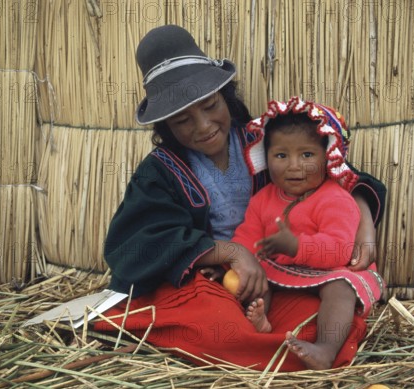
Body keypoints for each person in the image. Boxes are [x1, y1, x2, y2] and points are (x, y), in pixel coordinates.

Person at [93, 24, 386, 371]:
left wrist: (364, 220)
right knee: (217, 324)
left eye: (210, 105)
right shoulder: (160, 172)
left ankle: (288, 344)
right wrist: (230, 252)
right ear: (166, 127)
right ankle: (266, 342)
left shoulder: (264, 137)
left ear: (225, 94)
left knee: (332, 307)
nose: (203, 126)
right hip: (220, 281)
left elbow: (334, 166)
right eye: (182, 120)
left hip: (283, 272)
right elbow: (136, 242)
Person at [229, 97, 385, 370]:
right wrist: (233, 262)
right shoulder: (263, 199)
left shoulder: (335, 199)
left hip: (332, 270)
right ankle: (262, 324)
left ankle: (325, 349)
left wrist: (295, 246)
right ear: (265, 158)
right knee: (256, 277)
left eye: (307, 155)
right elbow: (247, 238)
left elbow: (339, 250)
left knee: (340, 289)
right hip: (284, 270)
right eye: (281, 155)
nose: (294, 165)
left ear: (328, 156)